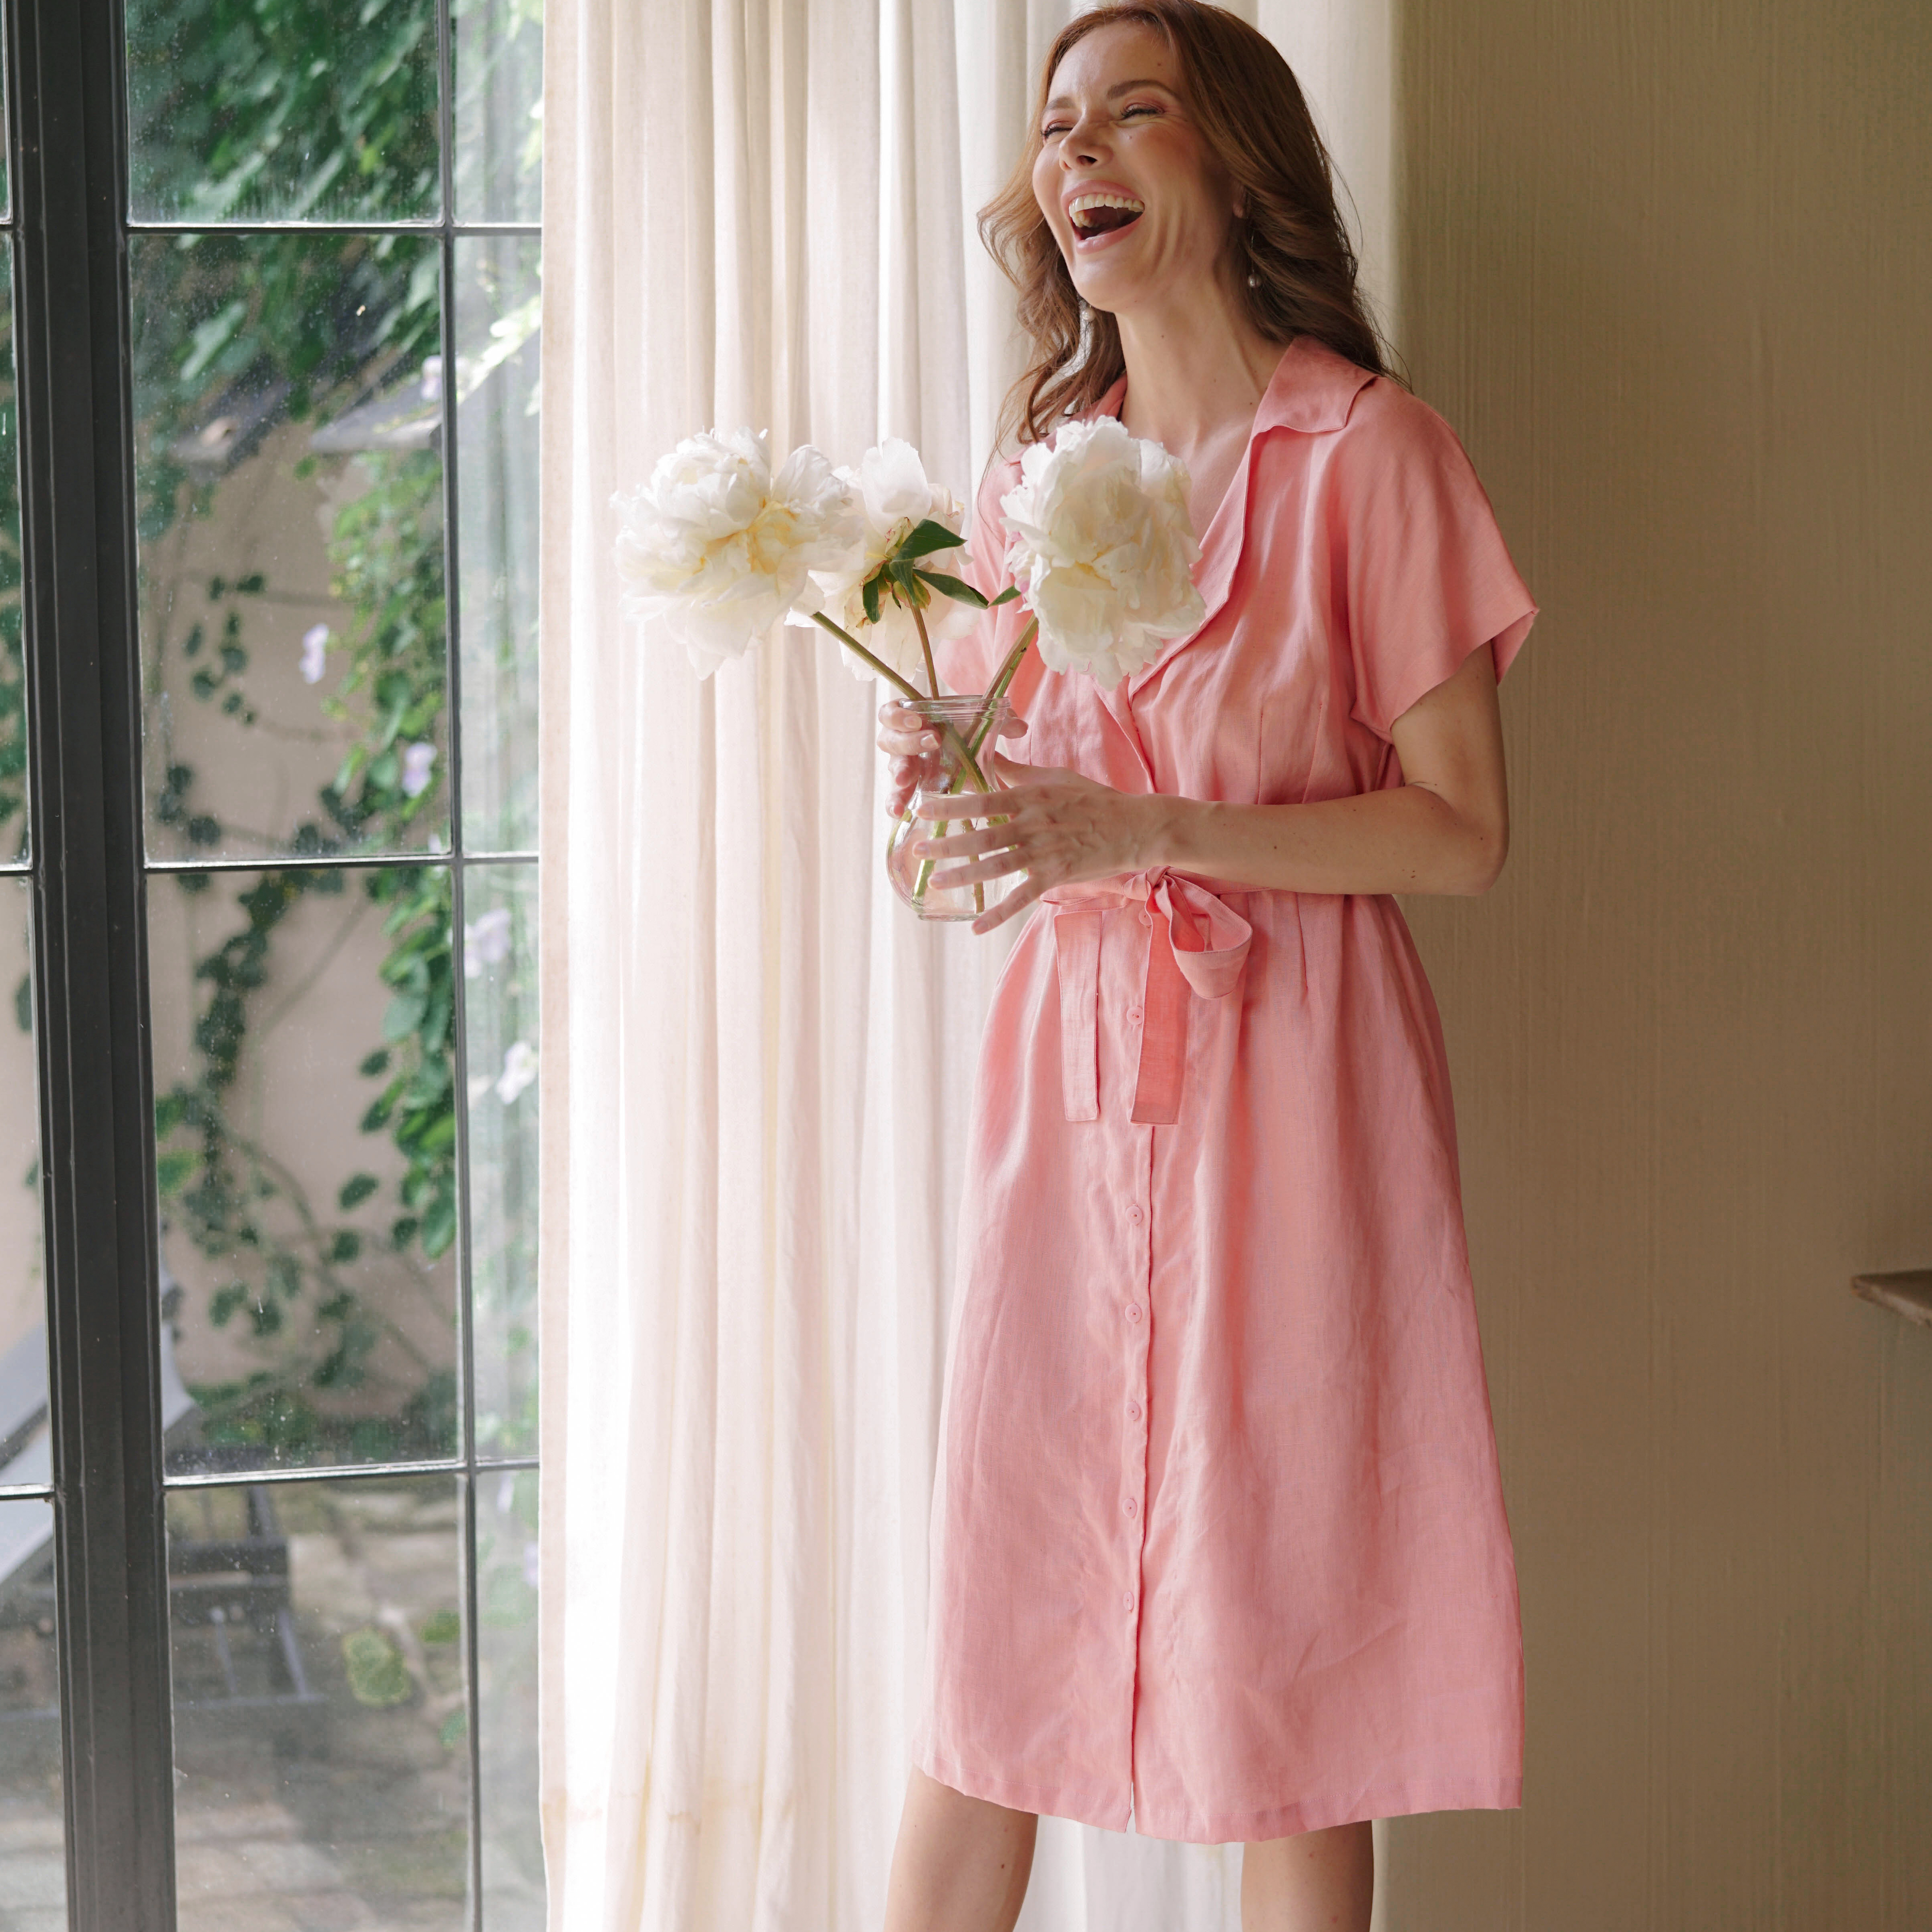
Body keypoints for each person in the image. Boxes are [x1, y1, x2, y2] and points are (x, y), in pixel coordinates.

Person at [875, 6, 1537, 1928]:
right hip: (1068, 1099)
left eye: (1128, 114)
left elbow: (1460, 829)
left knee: (1286, 1644)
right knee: (997, 1628)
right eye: (1054, 123)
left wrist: (1145, 832)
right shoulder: (1035, 485)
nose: (1074, 152)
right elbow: (994, 850)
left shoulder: (1366, 456)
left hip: (1298, 1098)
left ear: (1231, 161)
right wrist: (957, 781)